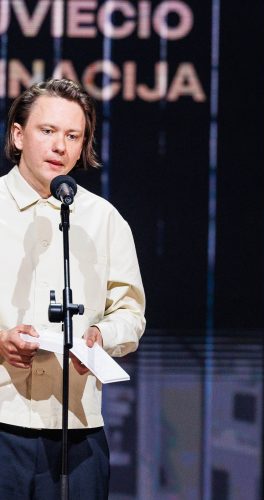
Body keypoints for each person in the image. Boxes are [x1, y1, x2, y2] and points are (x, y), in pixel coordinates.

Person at [0, 78, 146, 499]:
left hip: (76, 431)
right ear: (18, 134)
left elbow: (129, 312)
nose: (59, 146)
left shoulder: (103, 219)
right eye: (47, 131)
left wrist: (102, 337)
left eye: (73, 136)